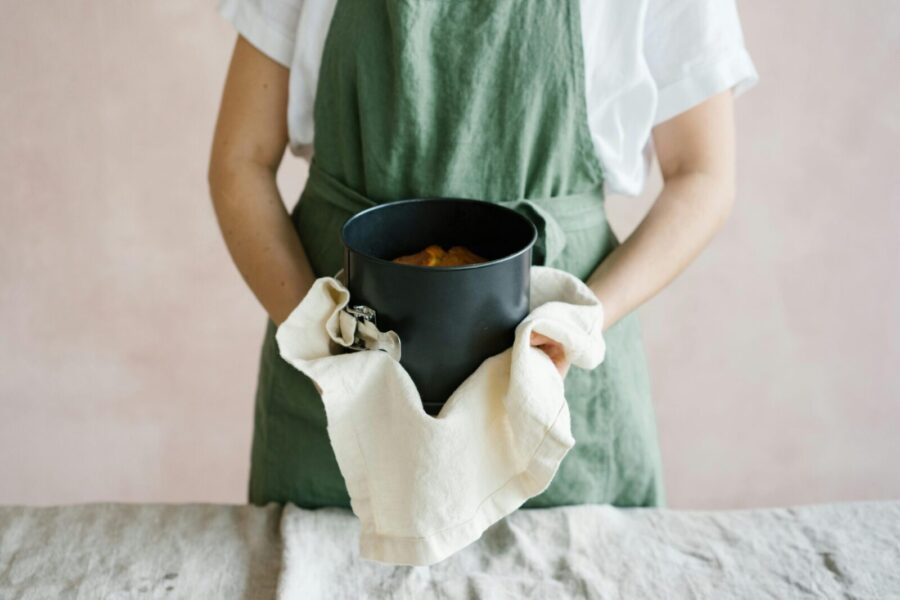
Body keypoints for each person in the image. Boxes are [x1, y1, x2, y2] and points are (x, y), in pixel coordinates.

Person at [208, 0, 758, 510]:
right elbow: (240, 161)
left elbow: (702, 175)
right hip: (339, 380)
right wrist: (315, 338)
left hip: (556, 389)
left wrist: (580, 323)